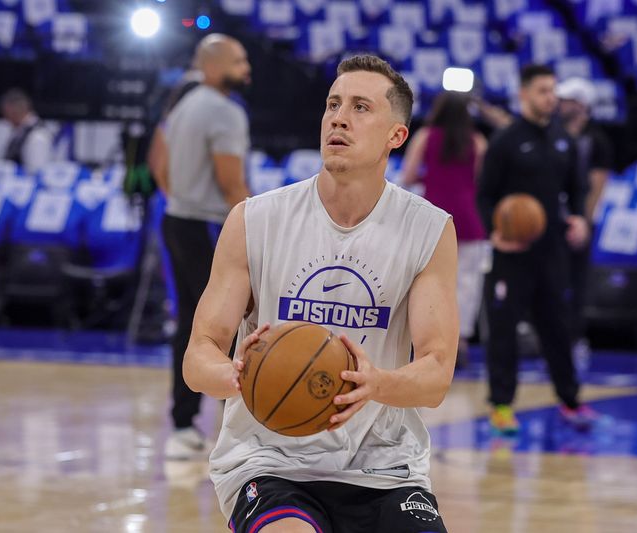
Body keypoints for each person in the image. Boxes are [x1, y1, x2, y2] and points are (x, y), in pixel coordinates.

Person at [185, 55, 457, 532]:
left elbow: (436, 375)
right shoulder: (255, 219)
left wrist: (377, 384)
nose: (339, 117)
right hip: (267, 461)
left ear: (396, 136)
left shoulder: (429, 230)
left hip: (384, 465)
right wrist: (239, 375)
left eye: (360, 107)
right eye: (333, 104)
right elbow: (197, 357)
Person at [476, 64, 595, 435]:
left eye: (553, 90)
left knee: (558, 327)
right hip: (511, 252)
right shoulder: (505, 140)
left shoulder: (564, 140)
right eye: (543, 90)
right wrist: (493, 232)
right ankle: (501, 405)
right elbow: (484, 195)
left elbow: (577, 191)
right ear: (524, 94)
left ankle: (570, 400)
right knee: (504, 330)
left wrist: (579, 219)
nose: (551, 98)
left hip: (552, 251)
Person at [162, 34, 252, 460]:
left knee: (190, 324)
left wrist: (179, 196)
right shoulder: (223, 111)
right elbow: (230, 180)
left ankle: (182, 424)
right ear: (214, 66)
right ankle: (235, 426)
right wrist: (256, 228)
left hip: (177, 218)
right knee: (222, 327)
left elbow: (156, 162)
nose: (247, 67)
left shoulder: (181, 103)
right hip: (210, 226)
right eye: (238, 60)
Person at [401, 91, 488, 365]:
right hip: (469, 220)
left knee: (426, 282)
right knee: (467, 285)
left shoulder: (425, 136)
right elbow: (479, 180)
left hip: (433, 219)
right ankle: (459, 344)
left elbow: (408, 176)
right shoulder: (478, 141)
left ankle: (424, 344)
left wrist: (432, 175)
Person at [556, 77, 615, 356]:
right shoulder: (554, 133)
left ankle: (574, 336)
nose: (560, 104)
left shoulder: (597, 140)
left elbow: (598, 184)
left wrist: (585, 219)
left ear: (580, 104)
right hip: (553, 216)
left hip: (578, 218)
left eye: (566, 100)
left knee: (577, 281)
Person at [0, 89, 53, 174]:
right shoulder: (20, 132)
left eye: (6, 114)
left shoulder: (37, 136)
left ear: (14, 111)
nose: (5, 119)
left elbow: (36, 172)